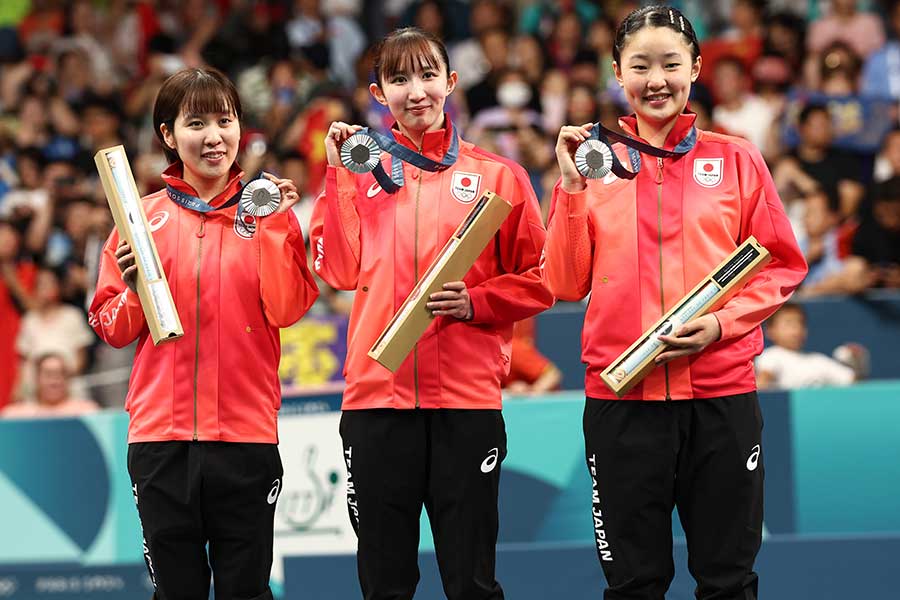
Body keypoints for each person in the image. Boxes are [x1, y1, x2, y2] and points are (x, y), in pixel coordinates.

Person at [542, 6, 807, 600]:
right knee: (635, 584)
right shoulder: (591, 163)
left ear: (696, 67)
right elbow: (562, 282)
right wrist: (572, 188)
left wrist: (719, 324)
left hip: (721, 397)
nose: (655, 79)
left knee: (729, 580)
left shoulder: (736, 159)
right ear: (617, 72)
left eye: (670, 63)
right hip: (622, 399)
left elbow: (782, 264)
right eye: (640, 65)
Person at [310, 27, 553, 600]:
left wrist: (479, 302)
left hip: (466, 403)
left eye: (426, 76)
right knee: (384, 583)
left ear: (451, 82)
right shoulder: (360, 168)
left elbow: (543, 280)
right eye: (398, 79)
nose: (415, 91)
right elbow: (339, 270)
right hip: (377, 402)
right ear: (377, 92)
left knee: (471, 581)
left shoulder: (499, 175)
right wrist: (337, 174)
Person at [88, 67, 318, 600]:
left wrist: (276, 226)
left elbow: (286, 309)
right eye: (196, 123)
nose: (214, 136)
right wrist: (133, 290)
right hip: (160, 440)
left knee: (247, 591)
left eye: (225, 120)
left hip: (244, 438)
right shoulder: (139, 220)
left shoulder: (267, 213)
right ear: (168, 135)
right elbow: (112, 328)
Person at [756, 303, 862, 389]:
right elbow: (763, 382)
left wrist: (858, 361)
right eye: (789, 323)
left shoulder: (818, 360)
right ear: (770, 331)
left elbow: (854, 382)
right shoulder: (771, 355)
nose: (796, 329)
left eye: (800, 323)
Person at [2, 352, 98, 418]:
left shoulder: (88, 412)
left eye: (60, 374)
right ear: (37, 379)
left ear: (68, 379)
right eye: (48, 374)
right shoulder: (15, 415)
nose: (54, 381)